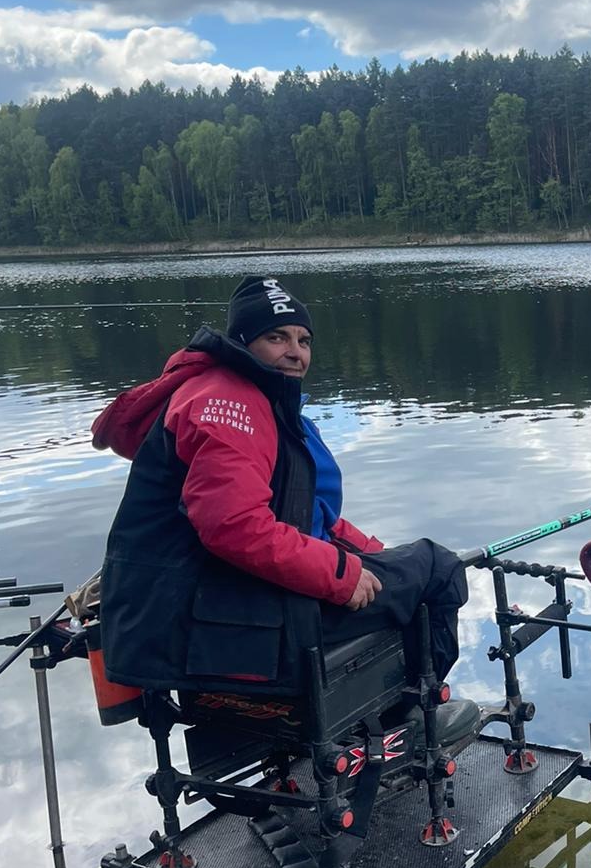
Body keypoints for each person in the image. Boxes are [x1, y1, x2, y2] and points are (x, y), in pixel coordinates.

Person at [92, 274, 474, 742]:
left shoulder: (247, 396)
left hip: (213, 606)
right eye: (277, 338)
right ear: (242, 342)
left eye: (303, 340)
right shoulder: (227, 403)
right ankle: (413, 717)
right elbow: (233, 526)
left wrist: (373, 557)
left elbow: (308, 513)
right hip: (206, 628)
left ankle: (389, 711)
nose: (296, 352)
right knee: (439, 570)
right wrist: (341, 574)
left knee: (408, 569)